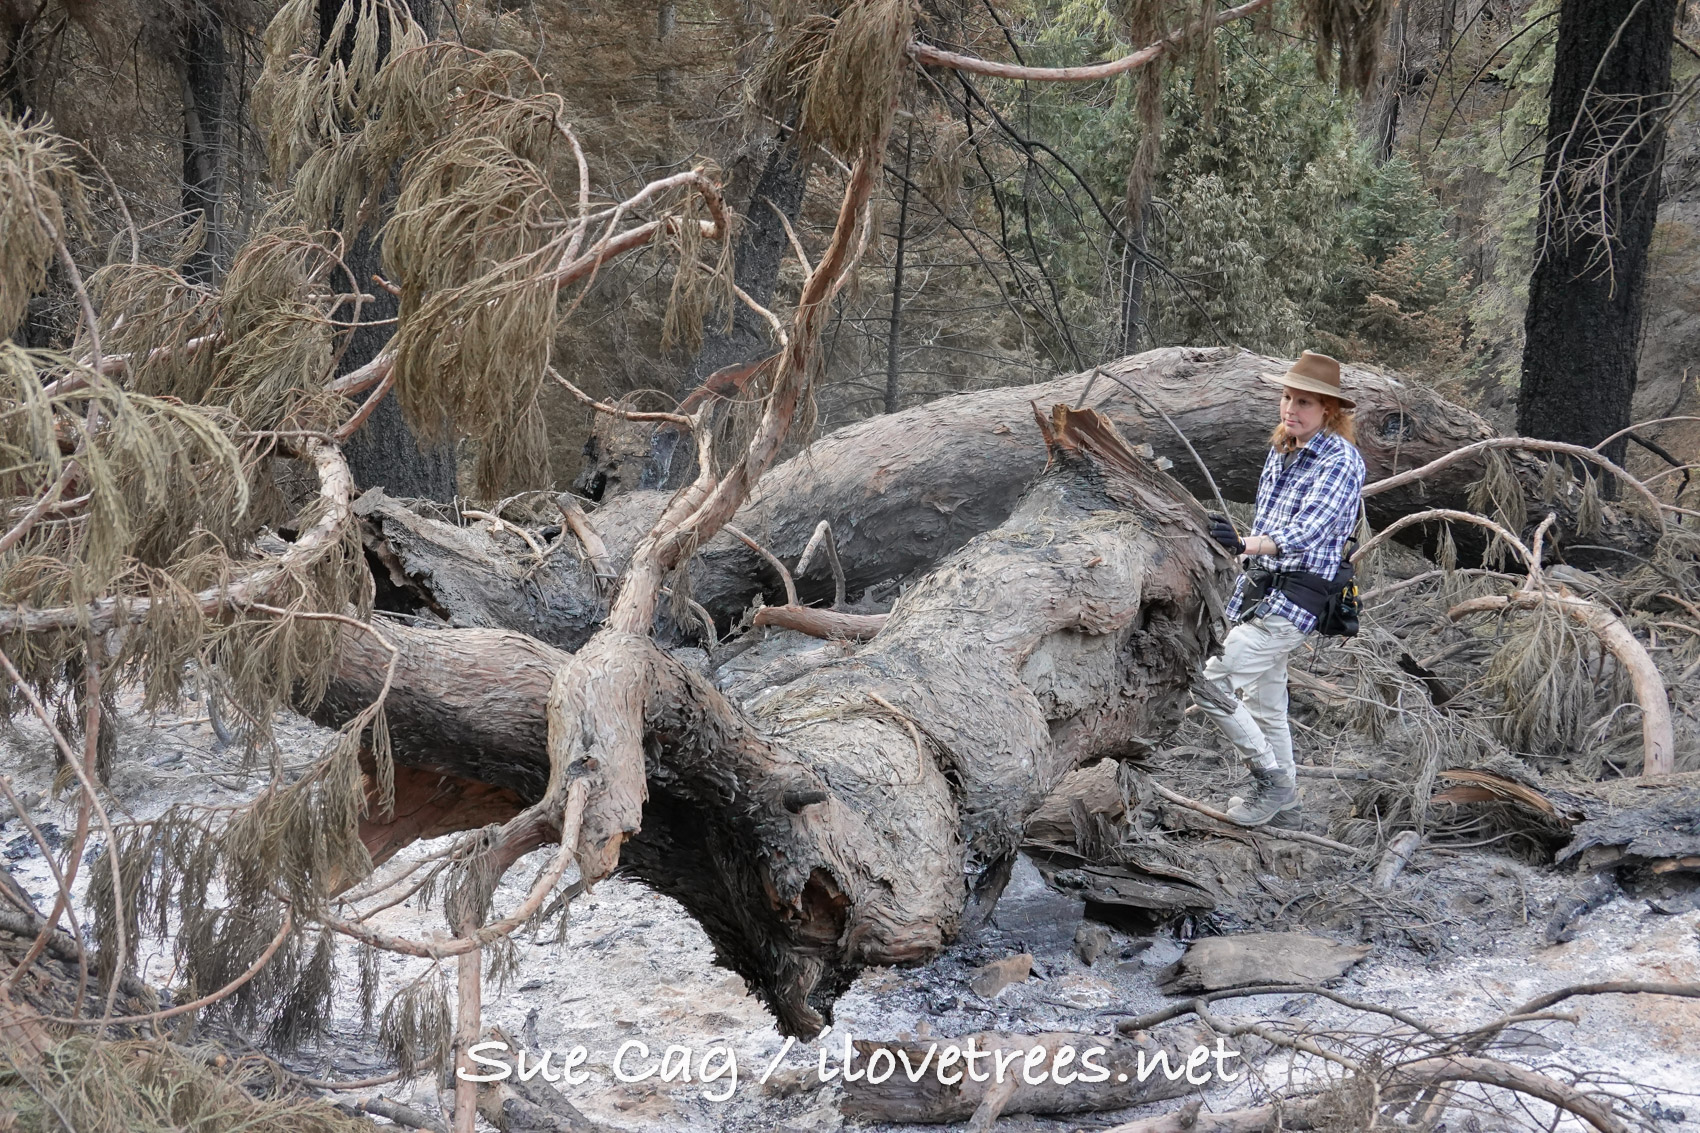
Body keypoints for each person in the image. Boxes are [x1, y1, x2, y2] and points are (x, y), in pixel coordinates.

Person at [1197, 351, 1365, 828]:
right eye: (1288, 398)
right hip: (1260, 592)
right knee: (1265, 703)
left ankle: (1269, 780)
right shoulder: (1283, 448)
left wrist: (1249, 541)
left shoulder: (1341, 461)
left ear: (1329, 411)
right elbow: (1269, 523)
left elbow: (1309, 530)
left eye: (1304, 402)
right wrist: (1236, 547)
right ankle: (1285, 796)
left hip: (1296, 599)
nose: (1291, 409)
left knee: (1210, 681)